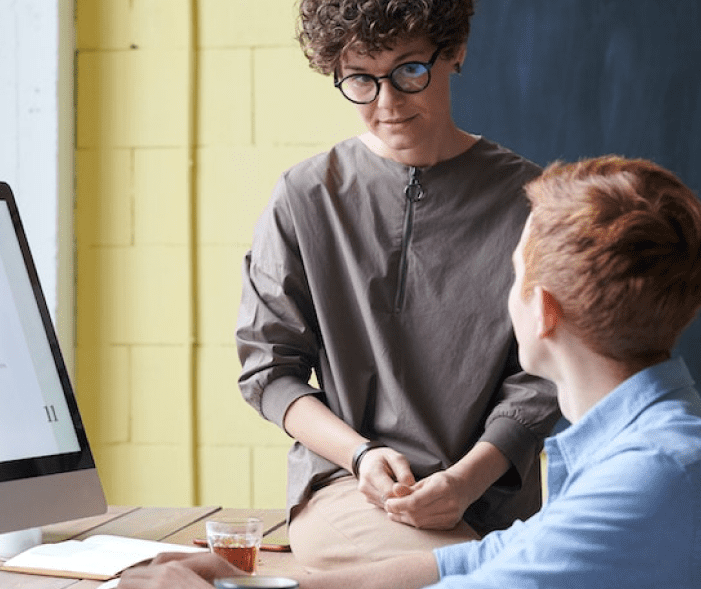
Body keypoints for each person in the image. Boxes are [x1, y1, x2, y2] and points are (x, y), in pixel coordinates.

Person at [123, 156, 701, 588]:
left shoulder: (652, 478)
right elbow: (472, 561)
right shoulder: (645, 452)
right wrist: (249, 582)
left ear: (543, 310)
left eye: (513, 274)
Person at [236, 0, 559, 567]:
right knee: (465, 579)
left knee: (496, 571)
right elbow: (269, 371)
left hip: (492, 498)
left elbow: (541, 378)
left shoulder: (530, 200)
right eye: (360, 78)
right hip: (349, 490)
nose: (386, 104)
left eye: (410, 71)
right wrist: (358, 454)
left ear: (455, 50)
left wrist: (468, 478)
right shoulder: (306, 196)